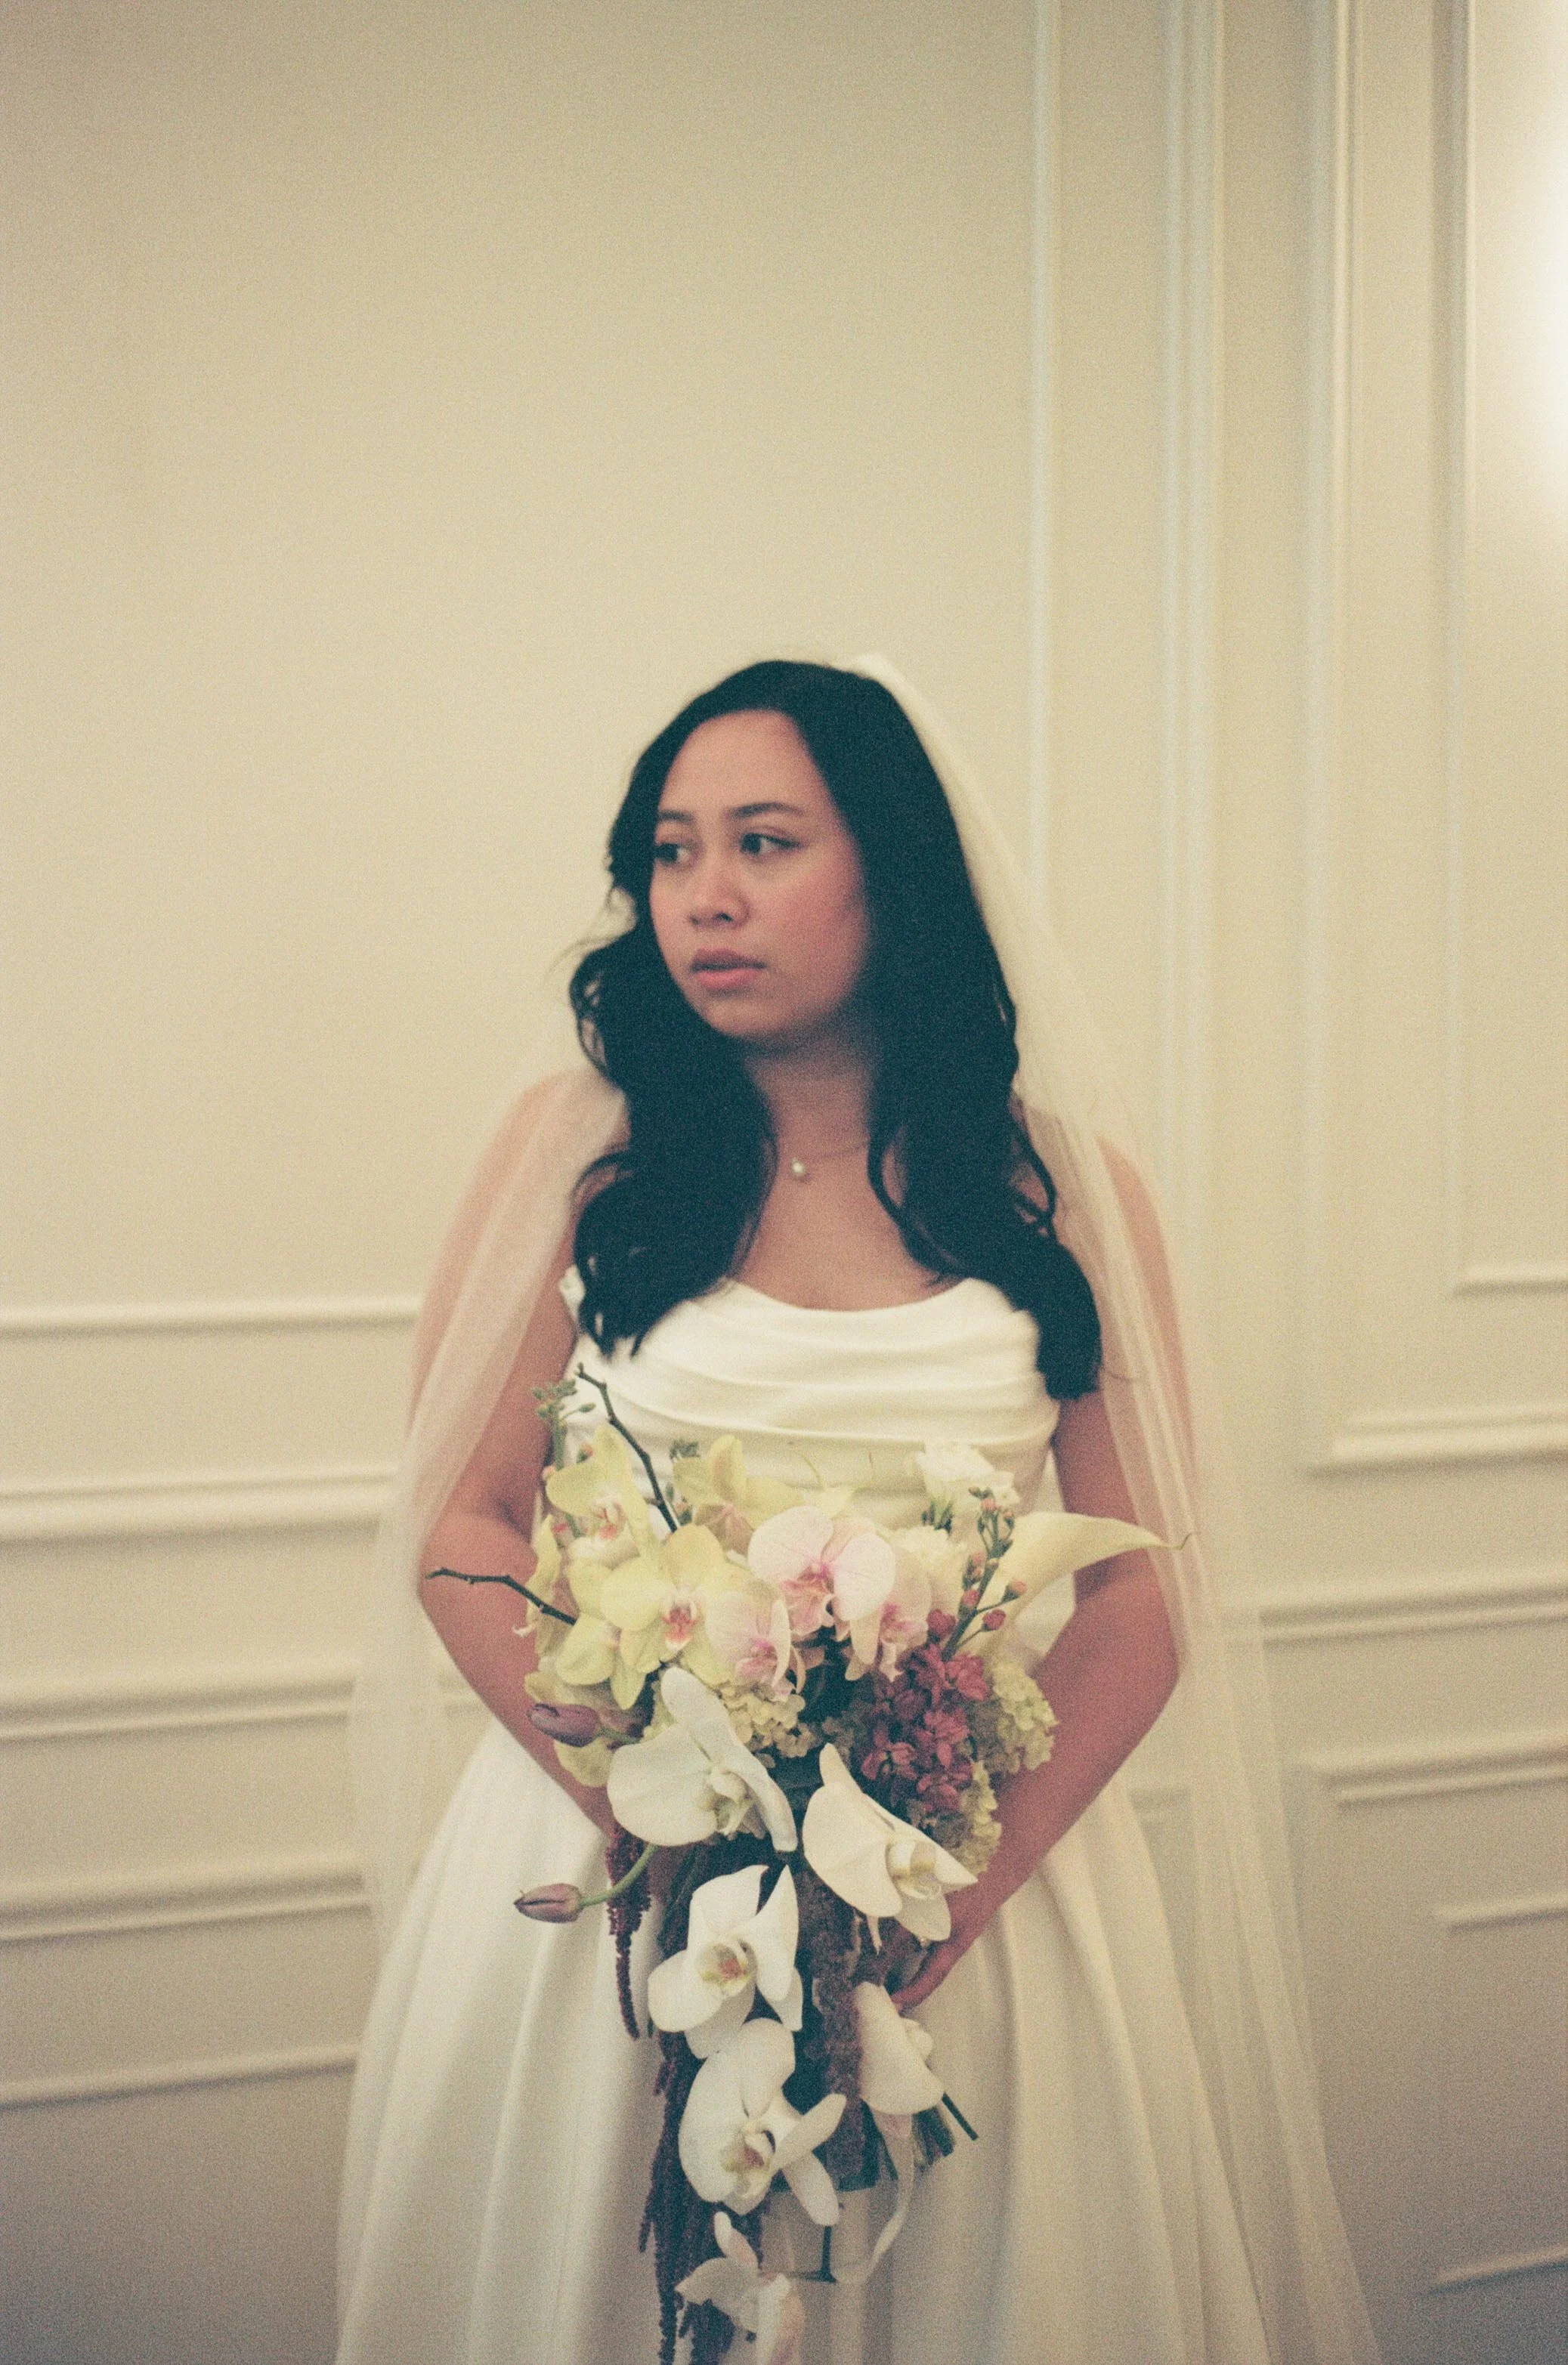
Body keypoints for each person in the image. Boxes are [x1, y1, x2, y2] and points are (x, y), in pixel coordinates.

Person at [336, 660, 1382, 2365]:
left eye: (763, 841)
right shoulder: (579, 1159)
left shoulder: (1059, 1191)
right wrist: (658, 1820)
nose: (706, 897)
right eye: (671, 852)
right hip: (607, 1865)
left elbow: (1139, 1593)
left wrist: (937, 1899)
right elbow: (465, 1513)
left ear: (889, 874)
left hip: (960, 1882)